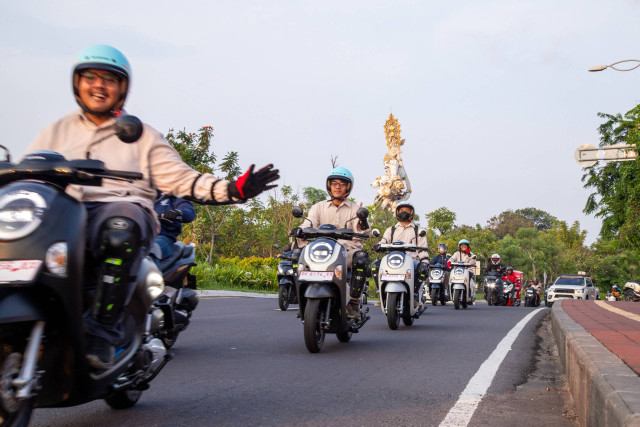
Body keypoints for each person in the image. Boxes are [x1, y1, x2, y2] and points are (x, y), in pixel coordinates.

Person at [25, 45, 279, 370]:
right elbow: (28, 171)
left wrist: (234, 189)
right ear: (78, 83)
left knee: (120, 229)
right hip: (64, 213)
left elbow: (184, 179)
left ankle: (103, 330)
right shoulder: (55, 130)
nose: (99, 85)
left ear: (123, 88)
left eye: (109, 79)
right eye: (91, 76)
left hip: (121, 210)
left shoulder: (142, 136)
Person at [295, 167, 370, 319]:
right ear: (329, 185)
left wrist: (363, 221)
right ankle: (302, 299)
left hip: (346, 251)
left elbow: (363, 232)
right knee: (296, 255)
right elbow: (309, 223)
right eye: (334, 183)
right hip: (322, 250)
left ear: (348, 187)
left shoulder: (356, 210)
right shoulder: (318, 207)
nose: (338, 186)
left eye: (342, 183)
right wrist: (300, 230)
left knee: (361, 258)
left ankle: (354, 302)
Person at [372, 202, 429, 306]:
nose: (404, 212)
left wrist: (425, 261)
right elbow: (383, 242)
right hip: (392, 260)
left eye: (407, 210)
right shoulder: (391, 230)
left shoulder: (418, 231)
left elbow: (423, 249)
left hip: (412, 261)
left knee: (423, 268)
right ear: (397, 212)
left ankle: (414, 296)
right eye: (402, 210)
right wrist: (378, 246)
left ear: (411, 213)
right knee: (375, 265)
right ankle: (380, 293)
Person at [154, 191, 196, 261]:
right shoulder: (137, 191)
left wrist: (178, 213)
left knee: (151, 251)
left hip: (163, 237)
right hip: (139, 235)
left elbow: (189, 211)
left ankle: (152, 271)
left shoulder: (172, 193)